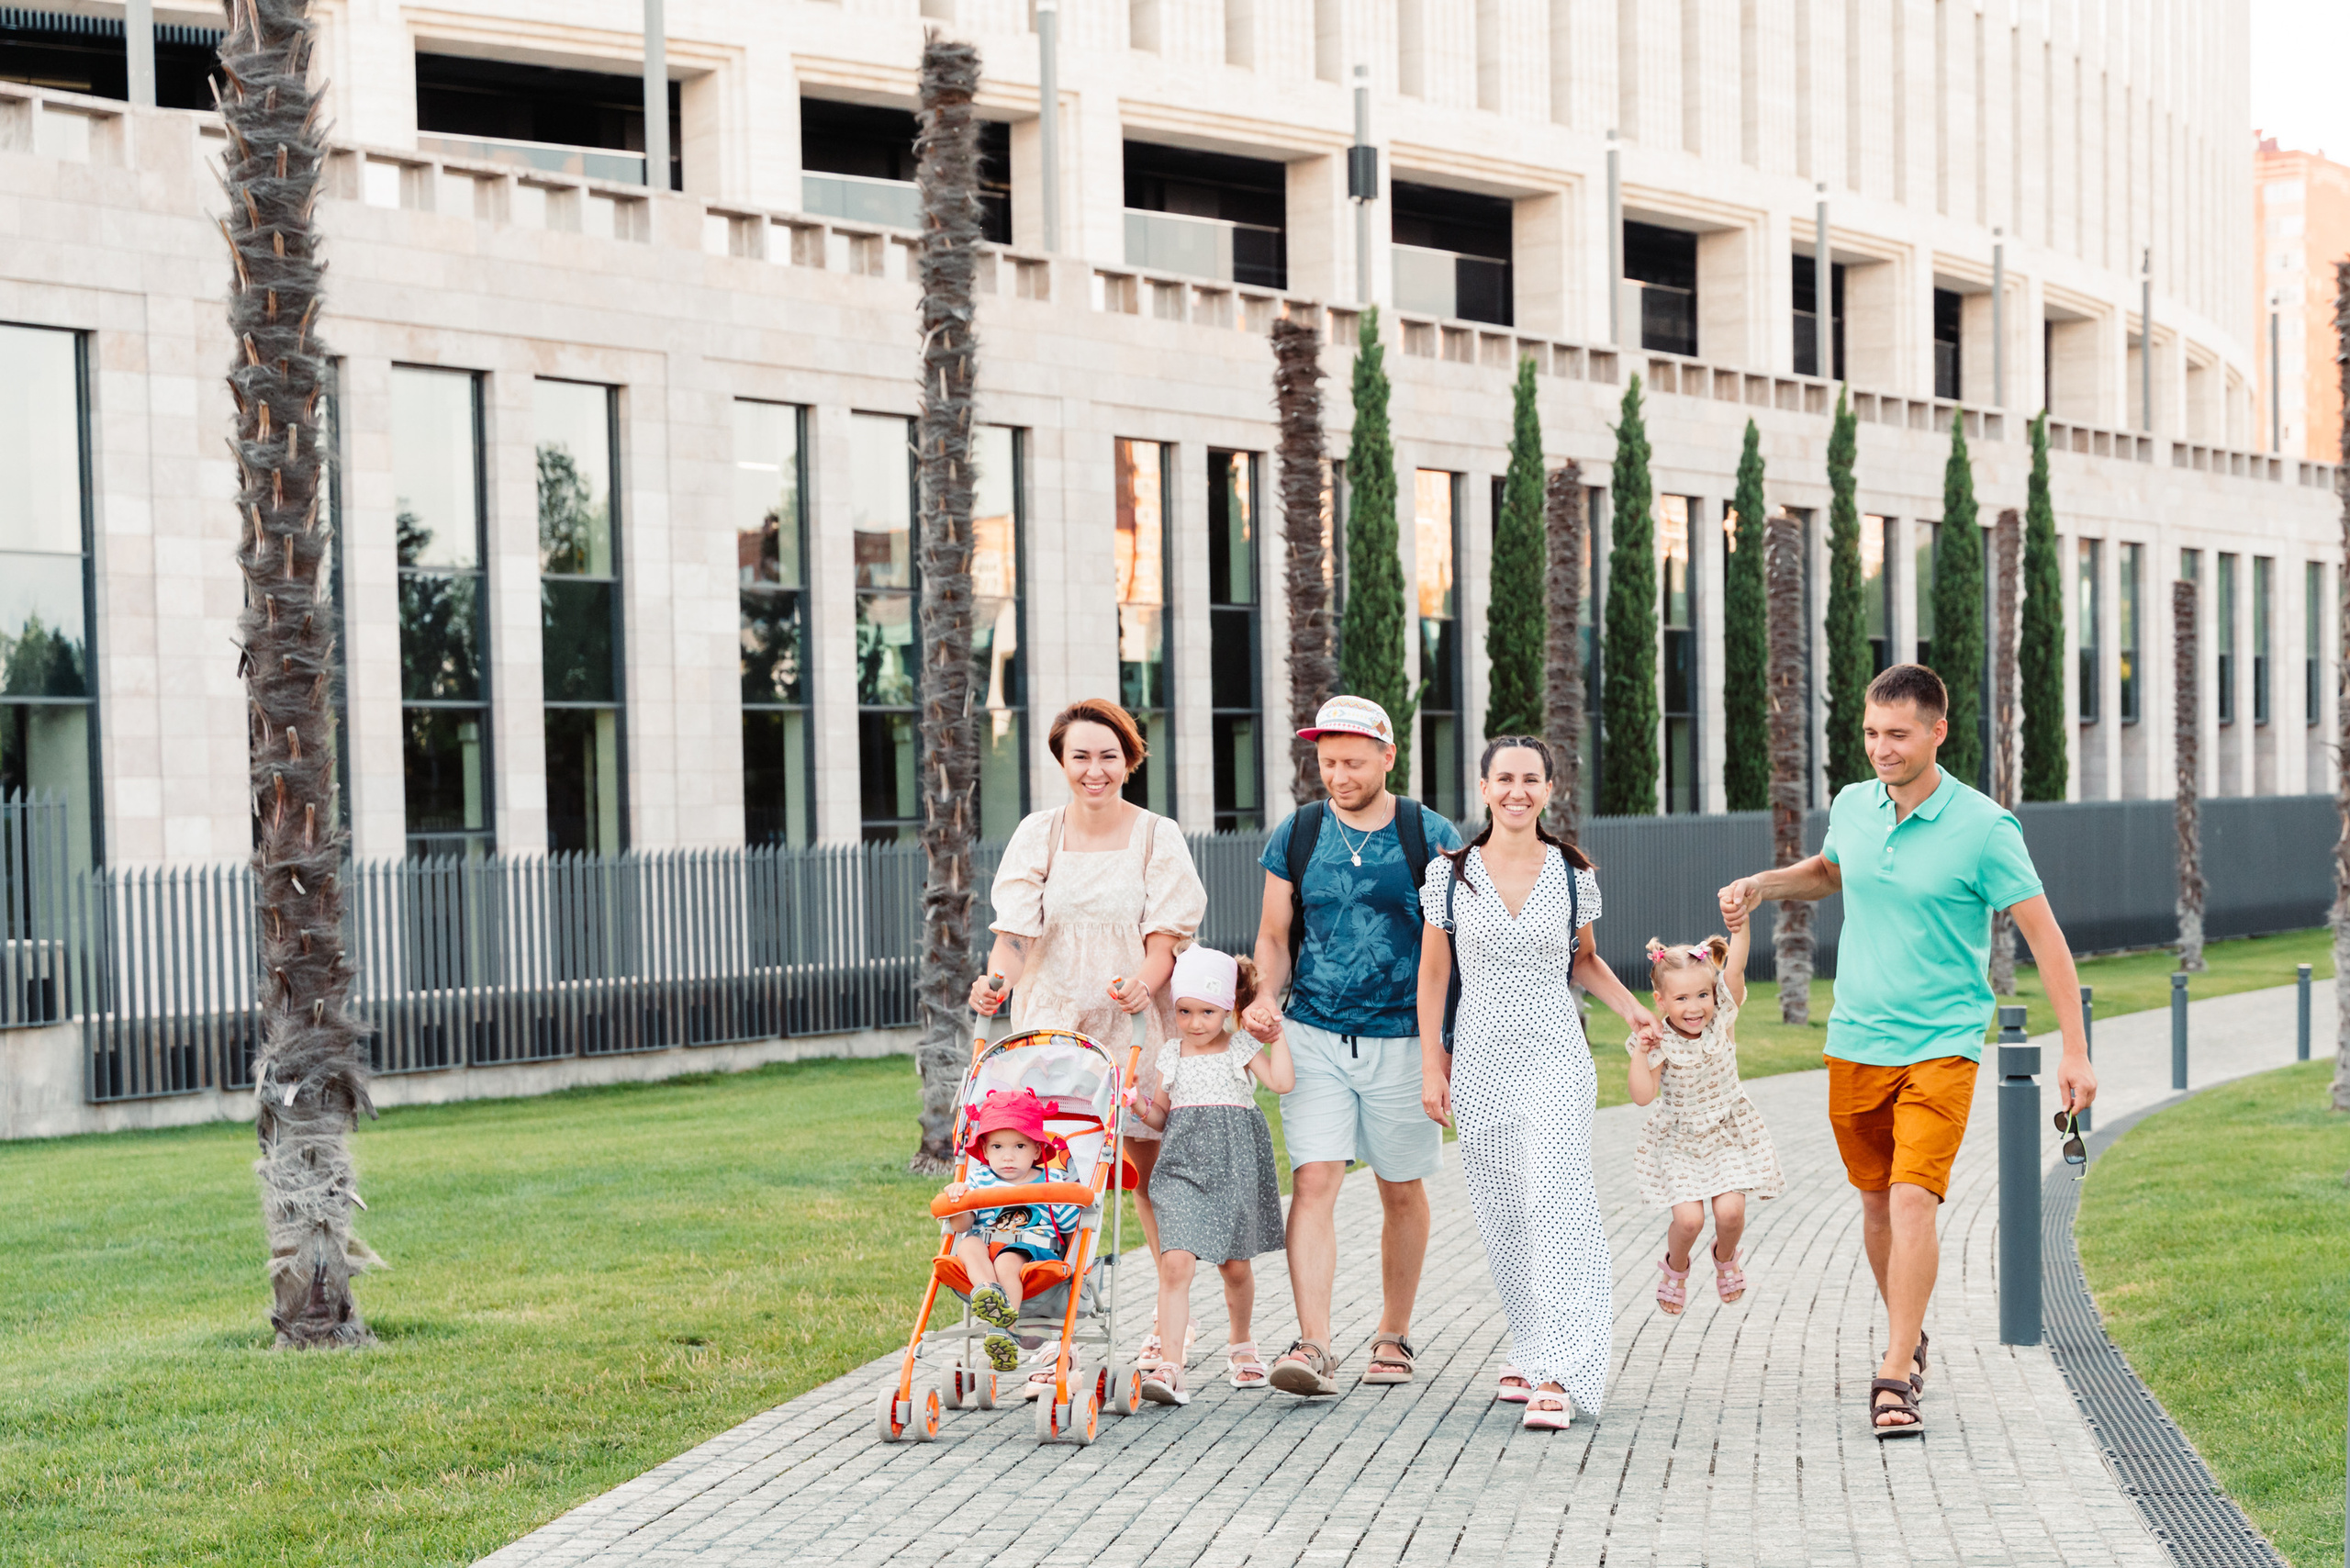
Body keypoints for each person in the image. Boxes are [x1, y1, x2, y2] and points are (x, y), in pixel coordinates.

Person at [1717, 663, 2096, 1438]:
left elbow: (2046, 939)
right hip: (1855, 1037)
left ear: (1936, 732)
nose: (1881, 749)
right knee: (1876, 1203)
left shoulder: (1986, 828)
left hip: (1942, 1043)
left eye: (1897, 735)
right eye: (1870, 734)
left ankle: (1894, 1373)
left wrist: (2076, 1052)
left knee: (1913, 1196)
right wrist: (1766, 884)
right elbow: (1830, 872)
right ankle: (1909, 1332)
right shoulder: (1856, 805)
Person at [1416, 735, 1658, 1430]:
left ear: (1549, 789)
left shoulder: (1574, 874)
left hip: (1555, 1053)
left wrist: (1634, 1009)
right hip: (1483, 1059)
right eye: (1504, 779)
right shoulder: (1449, 876)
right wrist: (1434, 1062)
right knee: (1502, 1211)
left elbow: (1584, 962)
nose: (1517, 791)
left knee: (1556, 1199)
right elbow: (1434, 976)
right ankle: (1528, 1345)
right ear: (1484, 787)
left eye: (1531, 779)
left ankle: (1562, 1369)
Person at [970, 697, 1207, 1377]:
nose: (1094, 770)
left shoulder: (1156, 836)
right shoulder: (1038, 834)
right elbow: (1015, 934)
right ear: (1062, 762)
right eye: (1081, 757)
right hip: (1054, 1031)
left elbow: (1165, 935)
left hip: (1132, 1023)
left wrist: (1143, 978)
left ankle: (1172, 1323)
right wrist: (996, 980)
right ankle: (1058, 1326)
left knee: (1147, 1177)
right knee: (1057, 1177)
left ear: (1129, 760)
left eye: (1108, 756)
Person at [1244, 694, 1463, 1394]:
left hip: (1403, 1038)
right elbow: (1275, 936)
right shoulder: (1299, 832)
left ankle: (1393, 1335)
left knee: (1400, 1187)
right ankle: (1312, 1344)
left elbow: (1455, 947)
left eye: (1353, 762)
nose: (1338, 775)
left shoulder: (1429, 834)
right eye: (1328, 762)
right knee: (1314, 1179)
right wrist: (1263, 999)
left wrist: (1444, 1049)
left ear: (1388, 756)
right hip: (1312, 1033)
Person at [1131, 946, 1295, 1406]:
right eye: (1184, 1011)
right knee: (1176, 1262)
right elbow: (1161, 1118)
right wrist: (1137, 1105)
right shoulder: (1171, 1053)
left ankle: (1241, 1344)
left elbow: (1283, 1083)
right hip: (1181, 1170)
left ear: (1228, 1008)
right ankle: (1172, 1365)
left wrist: (1276, 1036)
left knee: (1234, 1267)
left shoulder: (1241, 1047)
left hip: (1233, 1168)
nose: (1195, 1022)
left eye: (1207, 1012)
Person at [1626, 927, 1785, 1316]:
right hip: (1681, 1140)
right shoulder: (1660, 1039)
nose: (1694, 1007)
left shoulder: (1721, 1023)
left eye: (1702, 995)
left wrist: (1742, 928)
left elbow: (1736, 968)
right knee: (1690, 1220)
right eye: (1681, 998)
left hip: (1727, 1133)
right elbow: (1643, 1096)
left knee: (1730, 1213)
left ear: (1715, 995)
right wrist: (1640, 1053)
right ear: (1661, 1001)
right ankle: (1676, 1268)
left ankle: (1725, 1258)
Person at [941, 1089, 1083, 1372]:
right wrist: (957, 1200)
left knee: (1007, 1261)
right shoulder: (979, 1179)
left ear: (1036, 1150)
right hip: (985, 1248)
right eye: (997, 1147)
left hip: (1029, 1250)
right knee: (966, 1245)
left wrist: (1076, 1262)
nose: (1008, 1157)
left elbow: (1070, 1228)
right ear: (983, 1150)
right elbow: (961, 1226)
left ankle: (1003, 1327)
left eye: (1019, 1147)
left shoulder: (1052, 1182)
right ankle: (986, 1291)